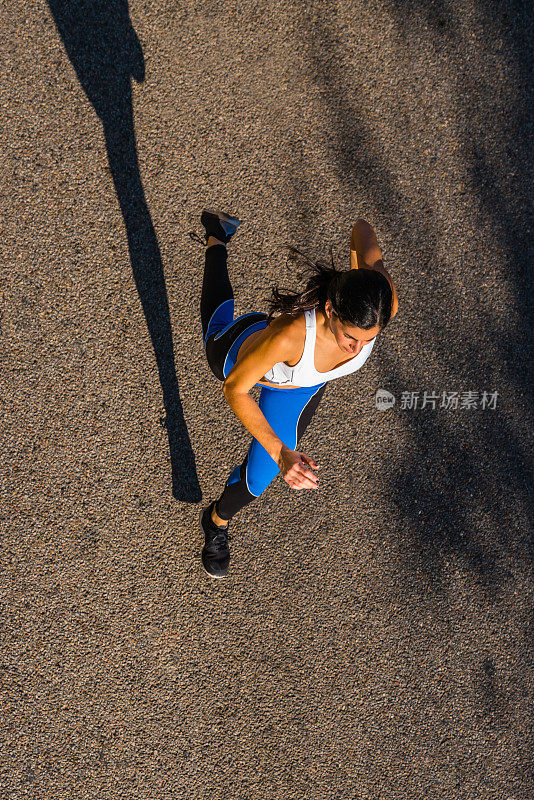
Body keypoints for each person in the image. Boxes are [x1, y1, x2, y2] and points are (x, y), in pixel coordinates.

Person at [193, 209, 399, 578]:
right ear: (330, 309)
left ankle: (215, 522)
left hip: (299, 385)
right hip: (244, 354)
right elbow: (235, 389)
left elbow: (362, 230)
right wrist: (281, 452)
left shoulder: (380, 303)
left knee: (260, 477)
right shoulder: (288, 334)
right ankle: (216, 237)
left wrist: (357, 278)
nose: (356, 350)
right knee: (216, 327)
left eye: (368, 340)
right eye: (350, 337)